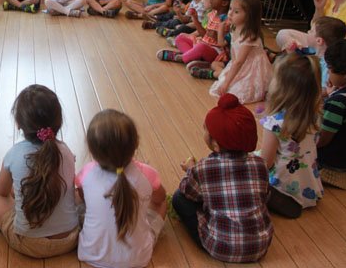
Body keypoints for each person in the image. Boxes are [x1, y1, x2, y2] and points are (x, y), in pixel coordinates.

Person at [0, 85, 79, 258]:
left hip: (29, 243)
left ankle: (2, 222)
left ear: (18, 124)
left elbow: (0, 190)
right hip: (70, 238)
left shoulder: (15, 153)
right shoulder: (66, 151)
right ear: (58, 122)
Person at [172, 94, 273, 263]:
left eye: (206, 130)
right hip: (260, 246)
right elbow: (264, 194)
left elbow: (187, 192)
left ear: (216, 145)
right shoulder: (260, 164)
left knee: (178, 199)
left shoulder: (203, 168)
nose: (204, 132)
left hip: (220, 247)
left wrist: (190, 170)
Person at [75, 109, 166, 268]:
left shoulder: (87, 173)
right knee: (163, 204)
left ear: (91, 150)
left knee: (80, 202)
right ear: (136, 144)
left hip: (90, 253)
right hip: (139, 258)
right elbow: (160, 198)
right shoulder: (147, 174)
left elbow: (83, 198)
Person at [258, 53, 323, 218]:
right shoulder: (315, 115)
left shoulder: (274, 123)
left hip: (282, 185)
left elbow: (267, 162)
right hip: (307, 181)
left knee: (248, 169)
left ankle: (281, 200)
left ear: (281, 88)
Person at [204, 0, 272, 103]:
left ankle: (214, 74)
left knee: (233, 92)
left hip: (251, 68)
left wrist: (226, 83)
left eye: (236, 12)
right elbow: (221, 44)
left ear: (249, 16)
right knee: (223, 81)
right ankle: (215, 73)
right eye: (230, 9)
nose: (230, 14)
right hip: (236, 64)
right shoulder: (234, 27)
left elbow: (239, 62)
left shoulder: (249, 35)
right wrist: (220, 30)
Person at [156, 0, 232, 65]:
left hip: (215, 52)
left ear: (224, 3)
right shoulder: (212, 14)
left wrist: (215, 35)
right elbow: (204, 35)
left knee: (201, 47)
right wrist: (195, 18)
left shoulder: (227, 21)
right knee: (180, 37)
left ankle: (182, 58)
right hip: (203, 44)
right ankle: (193, 57)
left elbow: (223, 43)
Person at [318, 38, 346, 189]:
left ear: (345, 73)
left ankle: (328, 172)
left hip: (336, 161)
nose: (328, 73)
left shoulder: (338, 103)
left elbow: (322, 140)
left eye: (330, 68)